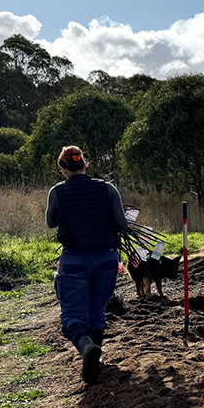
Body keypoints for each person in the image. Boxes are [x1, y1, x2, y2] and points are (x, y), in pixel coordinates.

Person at [46, 145, 128, 385]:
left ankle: (87, 349)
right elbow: (122, 223)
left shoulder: (57, 192)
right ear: (85, 164)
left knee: (72, 314)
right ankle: (96, 360)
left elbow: (51, 223)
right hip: (106, 258)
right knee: (97, 309)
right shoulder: (107, 189)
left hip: (75, 259)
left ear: (64, 168)